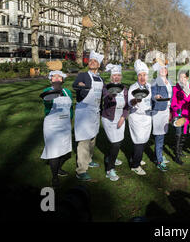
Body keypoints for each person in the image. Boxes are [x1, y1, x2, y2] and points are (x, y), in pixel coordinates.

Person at [72, 50, 104, 182]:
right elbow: (75, 85)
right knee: (84, 140)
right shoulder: (83, 75)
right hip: (84, 111)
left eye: (95, 61)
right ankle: (81, 170)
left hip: (95, 112)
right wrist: (79, 86)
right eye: (90, 61)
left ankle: (89, 159)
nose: (92, 62)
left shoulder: (101, 79)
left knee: (92, 138)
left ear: (99, 65)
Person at [41, 70, 73, 188]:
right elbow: (48, 104)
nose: (57, 79)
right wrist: (53, 94)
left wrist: (70, 120)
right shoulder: (47, 91)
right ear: (51, 79)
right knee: (54, 152)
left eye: (59, 77)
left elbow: (70, 108)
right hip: (52, 125)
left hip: (65, 124)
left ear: (62, 79)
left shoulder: (67, 91)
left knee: (65, 151)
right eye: (54, 77)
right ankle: (54, 177)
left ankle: (58, 168)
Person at [101, 64, 129, 181]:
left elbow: (127, 106)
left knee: (118, 142)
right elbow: (106, 100)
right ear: (111, 77)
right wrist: (112, 94)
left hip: (120, 119)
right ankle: (109, 169)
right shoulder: (106, 88)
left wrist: (123, 118)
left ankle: (110, 157)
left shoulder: (125, 89)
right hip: (108, 119)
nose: (116, 77)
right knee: (115, 143)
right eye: (114, 75)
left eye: (118, 75)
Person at [128, 59, 152, 175]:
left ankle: (135, 157)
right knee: (139, 140)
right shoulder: (133, 88)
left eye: (144, 75)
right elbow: (129, 103)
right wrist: (135, 100)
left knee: (143, 140)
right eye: (140, 75)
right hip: (136, 117)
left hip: (147, 117)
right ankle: (135, 165)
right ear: (137, 76)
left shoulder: (149, 87)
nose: (142, 77)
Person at [151, 61, 172, 171]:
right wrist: (156, 96)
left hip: (166, 110)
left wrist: (171, 111)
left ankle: (157, 155)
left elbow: (171, 97)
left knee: (162, 135)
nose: (163, 70)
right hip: (158, 111)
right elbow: (153, 94)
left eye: (165, 68)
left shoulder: (170, 82)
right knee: (159, 136)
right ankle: (159, 160)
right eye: (161, 69)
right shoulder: (155, 81)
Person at [170, 70, 190, 165]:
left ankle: (180, 150)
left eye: (184, 77)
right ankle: (176, 156)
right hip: (178, 113)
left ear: (187, 78)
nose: (182, 79)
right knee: (178, 133)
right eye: (180, 77)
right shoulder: (176, 88)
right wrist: (177, 110)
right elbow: (173, 102)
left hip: (187, 113)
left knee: (184, 133)